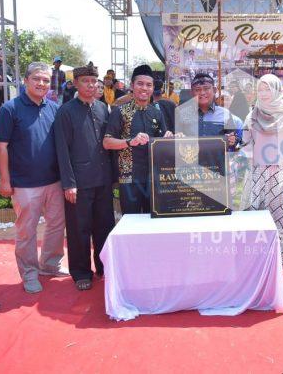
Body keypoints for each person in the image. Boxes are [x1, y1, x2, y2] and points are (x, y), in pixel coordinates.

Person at [0, 62, 68, 294]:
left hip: (54, 180)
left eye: (46, 80)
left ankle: (50, 264)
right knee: (27, 230)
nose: (41, 83)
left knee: (57, 225)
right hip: (24, 183)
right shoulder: (10, 109)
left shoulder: (54, 108)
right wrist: (5, 179)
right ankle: (29, 273)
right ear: (26, 80)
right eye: (36, 79)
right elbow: (0, 146)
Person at [54, 62, 114, 292]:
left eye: (93, 81)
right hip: (79, 182)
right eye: (85, 81)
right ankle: (80, 272)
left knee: (104, 226)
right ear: (76, 84)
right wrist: (68, 183)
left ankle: (104, 267)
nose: (91, 85)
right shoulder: (66, 111)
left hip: (103, 179)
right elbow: (62, 149)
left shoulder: (103, 108)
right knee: (79, 229)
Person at [242, 74, 283, 269]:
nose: (263, 94)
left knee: (279, 218)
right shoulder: (252, 114)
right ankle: (259, 264)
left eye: (267, 89)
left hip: (281, 174)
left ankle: (278, 265)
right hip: (257, 175)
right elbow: (246, 144)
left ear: (277, 90)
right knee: (257, 218)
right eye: (260, 89)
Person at [103, 64, 173, 213]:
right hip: (128, 178)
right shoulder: (120, 111)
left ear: (153, 88)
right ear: (132, 86)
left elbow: (163, 141)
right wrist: (130, 141)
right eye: (140, 84)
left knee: (152, 220)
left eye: (149, 85)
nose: (144, 88)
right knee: (130, 219)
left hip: (153, 177)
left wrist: (169, 137)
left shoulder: (156, 113)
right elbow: (107, 142)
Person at [175, 73, 243, 151]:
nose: (202, 93)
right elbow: (175, 139)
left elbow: (235, 140)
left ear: (214, 90)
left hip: (217, 158)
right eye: (197, 89)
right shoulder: (182, 114)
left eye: (206, 88)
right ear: (192, 93)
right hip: (190, 157)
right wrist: (176, 136)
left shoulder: (225, 114)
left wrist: (233, 140)